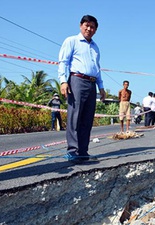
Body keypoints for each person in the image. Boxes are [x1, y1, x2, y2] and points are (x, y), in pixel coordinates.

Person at [58, 15, 106, 162]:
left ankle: (83, 151)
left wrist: (101, 87)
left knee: (87, 118)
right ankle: (73, 151)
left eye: (92, 27)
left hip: (91, 84)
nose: (89, 29)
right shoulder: (71, 41)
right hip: (77, 80)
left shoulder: (95, 47)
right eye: (87, 25)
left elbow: (97, 68)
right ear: (81, 26)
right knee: (75, 117)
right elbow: (63, 62)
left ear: (96, 30)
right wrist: (63, 81)